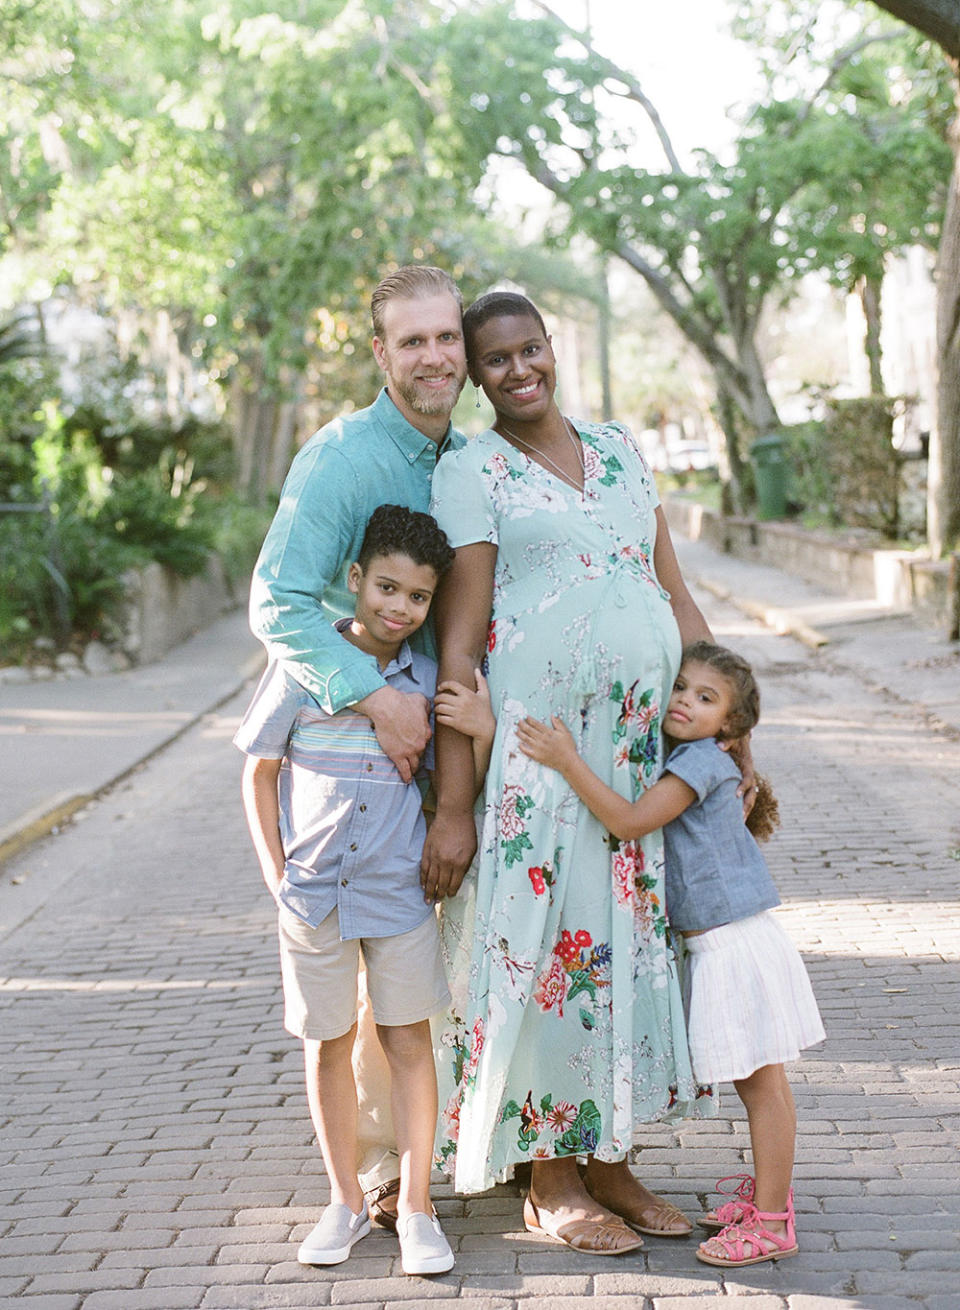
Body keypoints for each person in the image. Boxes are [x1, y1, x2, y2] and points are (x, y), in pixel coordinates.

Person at [424, 290, 752, 1254]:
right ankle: (550, 1176)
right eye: (496, 360)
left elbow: (674, 592)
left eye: (531, 350)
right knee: (545, 958)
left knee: (622, 958)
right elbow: (460, 637)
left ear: (551, 348)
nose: (519, 371)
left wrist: (729, 726)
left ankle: (610, 1158)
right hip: (539, 761)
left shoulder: (620, 450)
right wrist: (454, 805)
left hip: (637, 755)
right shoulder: (471, 467)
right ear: (478, 375)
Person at [248, 265, 471, 1230]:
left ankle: (455, 1148)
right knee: (368, 993)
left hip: (450, 746)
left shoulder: (470, 455)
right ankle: (380, 1170)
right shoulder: (339, 460)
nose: (435, 357)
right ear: (380, 353)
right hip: (362, 744)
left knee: (431, 967)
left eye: (446, 338)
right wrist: (375, 697)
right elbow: (277, 602)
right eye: (412, 340)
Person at [517, 640, 825, 1268]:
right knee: (761, 1084)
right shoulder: (695, 755)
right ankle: (771, 1202)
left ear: (732, 728)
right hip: (729, 939)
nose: (683, 700)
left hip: (732, 944)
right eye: (681, 687)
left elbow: (630, 821)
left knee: (762, 1085)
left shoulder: (701, 766)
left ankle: (772, 1222)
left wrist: (566, 759)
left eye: (705, 698)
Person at [236, 505, 474, 1276]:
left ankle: (416, 1207)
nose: (398, 608)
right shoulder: (306, 668)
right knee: (328, 1046)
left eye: (417, 598)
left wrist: (489, 722)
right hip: (313, 896)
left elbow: (453, 777)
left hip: (398, 896)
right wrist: (278, 878)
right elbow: (260, 770)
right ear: (355, 581)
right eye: (386, 587)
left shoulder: (427, 681)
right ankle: (342, 1200)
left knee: (409, 1042)